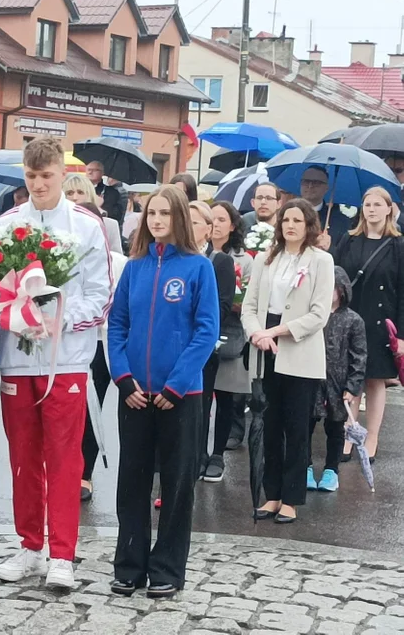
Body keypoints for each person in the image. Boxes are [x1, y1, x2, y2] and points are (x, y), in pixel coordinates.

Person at [0, 136, 112, 590]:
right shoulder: (6, 224)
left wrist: (56, 318)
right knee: (23, 459)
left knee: (64, 460)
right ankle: (29, 547)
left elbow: (101, 297)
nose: (39, 184)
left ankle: (63, 553)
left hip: (66, 362)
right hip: (18, 361)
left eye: (46, 176)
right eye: (31, 176)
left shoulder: (85, 226)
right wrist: (17, 315)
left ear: (63, 174)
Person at [107, 185, 219, 599]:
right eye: (150, 213)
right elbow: (117, 325)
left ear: (179, 220)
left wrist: (177, 383)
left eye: (164, 214)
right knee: (132, 483)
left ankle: (168, 568)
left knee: (175, 486)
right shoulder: (134, 268)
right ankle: (130, 564)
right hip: (135, 393)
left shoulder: (197, 268)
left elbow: (206, 330)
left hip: (181, 396)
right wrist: (123, 378)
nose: (156, 220)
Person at [242, 198, 334, 524]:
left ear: (309, 225)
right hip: (268, 351)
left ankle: (292, 497)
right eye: (285, 220)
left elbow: (319, 314)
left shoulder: (321, 261)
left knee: (297, 429)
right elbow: (250, 306)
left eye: (297, 220)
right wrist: (258, 334)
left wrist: (279, 330)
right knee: (270, 426)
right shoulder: (268, 259)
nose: (290, 225)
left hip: (300, 352)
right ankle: (272, 494)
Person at [333, 185, 404, 461]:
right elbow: (336, 277)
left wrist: (401, 334)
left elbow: (402, 289)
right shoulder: (349, 240)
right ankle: (349, 433)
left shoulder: (398, 245)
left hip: (381, 322)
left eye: (377, 204)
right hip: (352, 319)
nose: (372, 209)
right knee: (351, 379)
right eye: (367, 204)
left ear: (389, 209)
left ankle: (371, 437)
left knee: (375, 381)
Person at [78, 201, 128, 502]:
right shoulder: (64, 259)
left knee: (91, 411)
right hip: (71, 344)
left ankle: (84, 473)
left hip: (103, 345)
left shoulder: (119, 263)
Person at [188, 201, 236, 482]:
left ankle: (209, 455)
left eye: (196, 222)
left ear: (208, 229)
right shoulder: (174, 256)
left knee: (204, 402)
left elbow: (223, 304)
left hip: (205, 342)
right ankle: (191, 456)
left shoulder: (220, 260)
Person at [308, 266, 366, 492]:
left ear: (342, 290)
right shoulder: (313, 317)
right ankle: (306, 467)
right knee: (306, 424)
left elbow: (359, 356)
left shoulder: (353, 320)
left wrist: (352, 386)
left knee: (335, 427)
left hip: (338, 384)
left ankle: (332, 469)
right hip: (312, 379)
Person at [206, 201, 254, 472]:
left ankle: (217, 455)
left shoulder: (244, 259)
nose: (216, 224)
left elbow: (249, 298)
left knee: (225, 397)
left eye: (221, 219)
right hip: (203, 332)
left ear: (232, 225)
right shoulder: (196, 252)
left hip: (231, 332)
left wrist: (235, 300)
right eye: (211, 219)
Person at [63, 173, 123, 254]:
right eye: (70, 193)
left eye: (80, 192)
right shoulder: (57, 223)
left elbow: (117, 259)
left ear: (89, 194)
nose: (75, 198)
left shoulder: (109, 225)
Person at [298, 166, 352, 251]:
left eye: (316, 182)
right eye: (306, 181)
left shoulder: (341, 221)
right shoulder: (288, 214)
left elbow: (345, 255)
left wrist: (329, 248)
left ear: (326, 188)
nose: (310, 186)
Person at [86, 160, 124, 224]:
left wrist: (101, 209)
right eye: (88, 169)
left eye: (95, 170)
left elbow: (117, 215)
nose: (90, 172)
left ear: (102, 173)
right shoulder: (79, 189)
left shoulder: (112, 193)